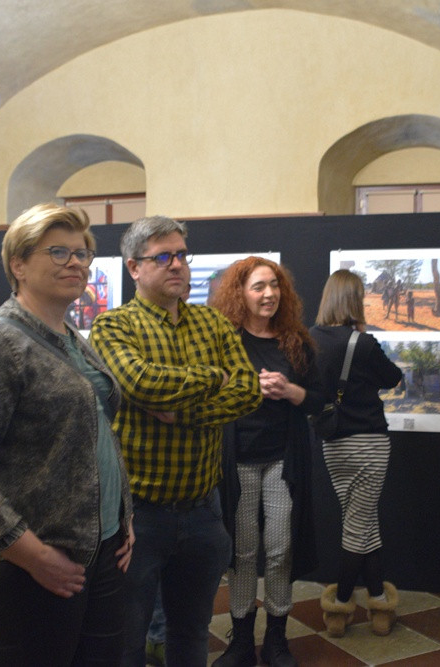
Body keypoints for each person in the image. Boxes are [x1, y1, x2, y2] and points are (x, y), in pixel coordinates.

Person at [0, 203, 135, 665]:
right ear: (18, 263)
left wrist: (122, 515)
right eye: (59, 252)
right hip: (35, 565)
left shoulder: (71, 336)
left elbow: (95, 432)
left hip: (102, 549)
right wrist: (29, 552)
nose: (76, 263)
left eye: (83, 253)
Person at [88, 216, 261, 666]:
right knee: (126, 641)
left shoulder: (213, 324)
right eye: (163, 257)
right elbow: (140, 383)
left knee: (190, 635)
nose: (177, 265)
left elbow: (247, 389)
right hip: (139, 517)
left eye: (182, 255)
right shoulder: (113, 327)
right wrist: (212, 378)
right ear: (134, 268)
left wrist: (178, 409)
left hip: (205, 510)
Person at [208, 257, 325, 667]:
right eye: (259, 286)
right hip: (237, 463)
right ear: (239, 292)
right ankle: (240, 641)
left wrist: (291, 391)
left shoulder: (297, 341)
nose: (269, 294)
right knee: (242, 553)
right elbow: (206, 395)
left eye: (274, 285)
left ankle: (277, 639)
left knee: (279, 551)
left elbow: (319, 399)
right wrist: (239, 389)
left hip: (282, 462)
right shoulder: (223, 339)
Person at [310, 269, 404, 638]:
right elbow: (393, 377)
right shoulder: (362, 343)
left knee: (364, 523)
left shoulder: (310, 340)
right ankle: (340, 606)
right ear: (355, 300)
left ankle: (380, 602)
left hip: (333, 445)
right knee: (358, 526)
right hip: (370, 444)